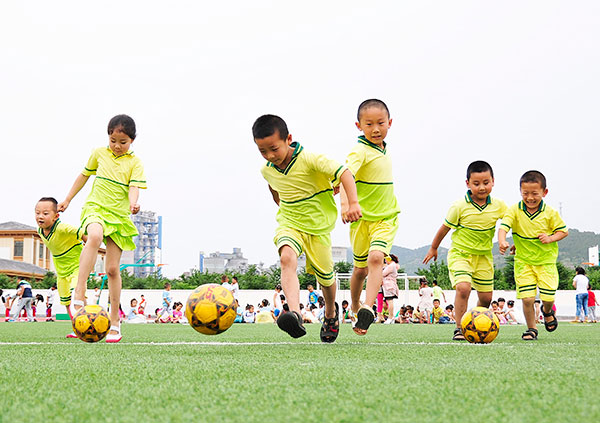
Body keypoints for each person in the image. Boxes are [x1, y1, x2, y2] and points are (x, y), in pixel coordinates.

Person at [253, 114, 361, 342]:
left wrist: (352, 203)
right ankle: (295, 314)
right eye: (263, 151)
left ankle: (331, 314)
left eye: (274, 149)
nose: (270, 156)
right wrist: (281, 205)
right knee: (286, 258)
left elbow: (345, 173)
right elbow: (274, 187)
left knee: (326, 279)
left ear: (288, 139)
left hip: (318, 227)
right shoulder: (267, 169)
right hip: (290, 223)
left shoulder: (311, 159)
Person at [58, 114, 146, 343]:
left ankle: (115, 322)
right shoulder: (98, 153)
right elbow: (83, 176)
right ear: (108, 137)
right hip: (96, 207)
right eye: (113, 140)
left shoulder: (135, 163)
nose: (117, 146)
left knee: (113, 270)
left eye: (123, 142)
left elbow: (134, 187)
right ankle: (80, 292)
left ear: (132, 140)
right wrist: (67, 200)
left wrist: (133, 203)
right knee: (94, 236)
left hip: (119, 216)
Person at [424, 160, 507, 341]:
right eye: (476, 183)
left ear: (493, 181)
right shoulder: (459, 206)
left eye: (486, 183)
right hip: (460, 254)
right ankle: (460, 327)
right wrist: (433, 247)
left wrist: (511, 239)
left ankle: (480, 323)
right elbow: (444, 228)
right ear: (468, 183)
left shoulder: (499, 205)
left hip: (484, 257)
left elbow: (511, 221)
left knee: (485, 299)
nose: (482, 187)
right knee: (463, 288)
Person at [337, 99, 400, 336]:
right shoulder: (360, 150)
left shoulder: (383, 148)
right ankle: (355, 307)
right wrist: (346, 203)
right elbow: (345, 174)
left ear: (390, 123)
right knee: (360, 270)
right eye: (369, 124)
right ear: (358, 126)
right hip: (361, 220)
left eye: (380, 123)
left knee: (376, 258)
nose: (376, 129)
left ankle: (368, 308)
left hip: (386, 217)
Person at [499, 170, 568, 340]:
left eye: (534, 193)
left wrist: (550, 238)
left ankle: (547, 311)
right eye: (525, 193)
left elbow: (563, 231)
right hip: (523, 262)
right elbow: (504, 227)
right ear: (520, 192)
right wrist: (502, 241)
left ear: (544, 192)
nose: (530, 198)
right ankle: (532, 329)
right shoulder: (514, 210)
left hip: (546, 262)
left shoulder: (550, 213)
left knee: (547, 297)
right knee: (528, 298)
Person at [35, 197, 86, 336]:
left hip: (78, 266)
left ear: (56, 216)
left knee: (78, 294)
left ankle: (87, 324)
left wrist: (89, 253)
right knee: (67, 301)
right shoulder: (39, 231)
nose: (40, 216)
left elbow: (85, 235)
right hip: (61, 271)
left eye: (45, 213)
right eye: (37, 212)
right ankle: (77, 327)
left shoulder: (63, 228)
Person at [382, 254, 400, 324]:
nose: (385, 261)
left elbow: (383, 273)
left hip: (389, 285)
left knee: (389, 301)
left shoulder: (391, 266)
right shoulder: (393, 265)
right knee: (389, 301)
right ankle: (391, 317)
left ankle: (390, 317)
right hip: (390, 284)